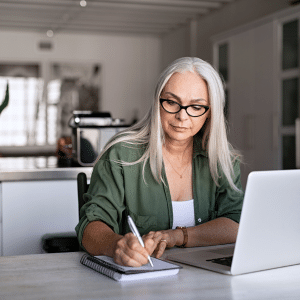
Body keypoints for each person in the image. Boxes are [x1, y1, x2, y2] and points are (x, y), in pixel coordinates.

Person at [75, 57, 244, 267]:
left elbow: (236, 223)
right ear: (158, 102)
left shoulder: (222, 157)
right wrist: (116, 245)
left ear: (210, 113)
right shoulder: (120, 154)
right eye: (172, 102)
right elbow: (90, 226)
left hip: (208, 277)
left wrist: (177, 236)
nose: (182, 116)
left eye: (196, 106)